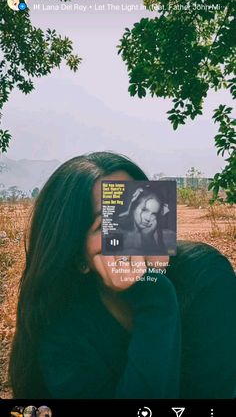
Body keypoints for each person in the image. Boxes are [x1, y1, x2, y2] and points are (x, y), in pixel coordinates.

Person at [9, 151, 236, 399]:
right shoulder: (61, 325)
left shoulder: (206, 277)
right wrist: (154, 295)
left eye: (148, 209)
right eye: (109, 223)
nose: (137, 228)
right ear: (77, 258)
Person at [118, 187, 174, 255]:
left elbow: (161, 262)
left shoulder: (168, 236)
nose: (148, 218)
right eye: (144, 210)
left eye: (154, 214)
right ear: (134, 208)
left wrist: (147, 238)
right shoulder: (117, 232)